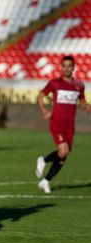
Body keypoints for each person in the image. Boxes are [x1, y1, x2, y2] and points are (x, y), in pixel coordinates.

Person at [35, 55, 91, 193]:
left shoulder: (79, 85)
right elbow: (41, 96)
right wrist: (44, 111)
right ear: (61, 67)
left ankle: (45, 181)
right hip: (57, 123)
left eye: (69, 66)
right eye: (64, 65)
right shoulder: (55, 83)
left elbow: (82, 101)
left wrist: (86, 106)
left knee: (63, 156)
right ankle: (43, 159)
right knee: (63, 151)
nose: (66, 68)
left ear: (73, 68)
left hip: (70, 126)